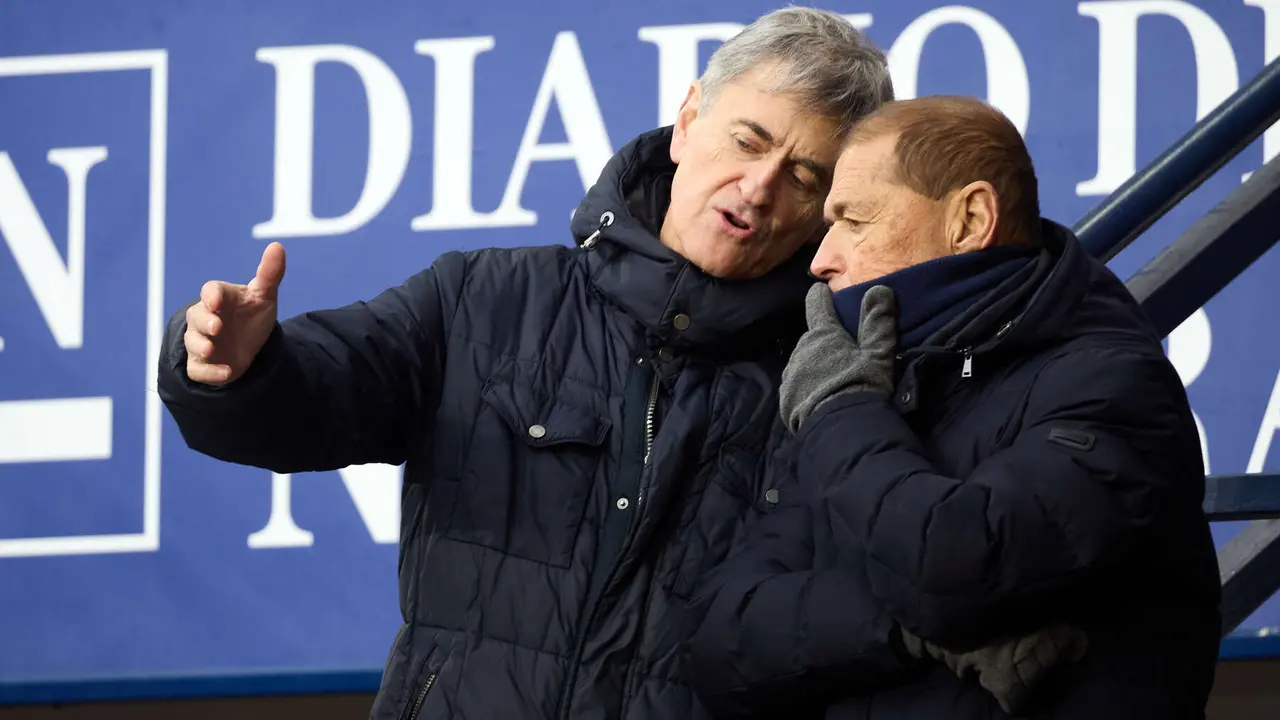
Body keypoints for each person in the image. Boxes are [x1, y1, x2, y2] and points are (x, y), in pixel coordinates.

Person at [155, 8, 895, 719]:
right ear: (690, 118)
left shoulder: (831, 387)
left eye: (803, 176)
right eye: (748, 140)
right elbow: (320, 393)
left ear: (831, 207)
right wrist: (240, 369)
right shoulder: (484, 298)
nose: (760, 186)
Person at [687, 96, 1222, 719]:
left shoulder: (1113, 384)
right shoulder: (879, 378)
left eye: (854, 220)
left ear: (969, 220)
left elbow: (956, 574)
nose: (821, 259)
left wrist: (841, 409)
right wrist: (905, 633)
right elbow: (719, 642)